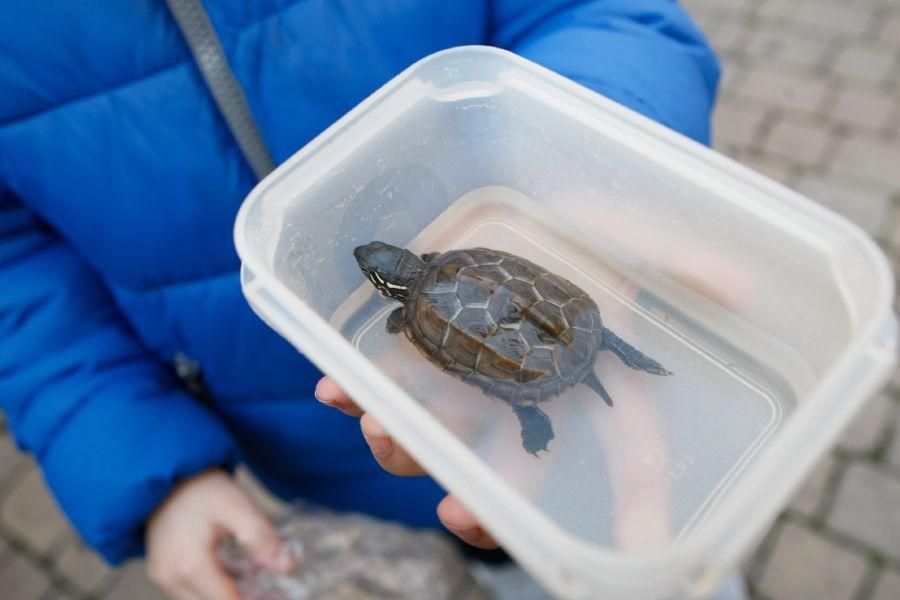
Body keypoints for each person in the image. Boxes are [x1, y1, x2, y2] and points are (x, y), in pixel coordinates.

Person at [0, 2, 719, 599]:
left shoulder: (417, 302)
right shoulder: (447, 259)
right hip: (349, 462)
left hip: (523, 405)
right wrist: (138, 464)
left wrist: (583, 162)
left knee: (662, 533)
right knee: (498, 538)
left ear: (388, 286)